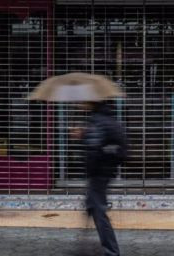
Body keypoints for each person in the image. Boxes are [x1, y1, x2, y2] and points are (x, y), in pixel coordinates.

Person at [72, 101, 127, 256]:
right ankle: (83, 244)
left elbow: (94, 150)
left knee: (98, 211)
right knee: (91, 205)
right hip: (104, 171)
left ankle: (112, 251)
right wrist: (85, 134)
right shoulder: (106, 118)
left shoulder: (96, 121)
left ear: (91, 103)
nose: (80, 104)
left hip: (98, 173)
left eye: (84, 102)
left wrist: (82, 137)